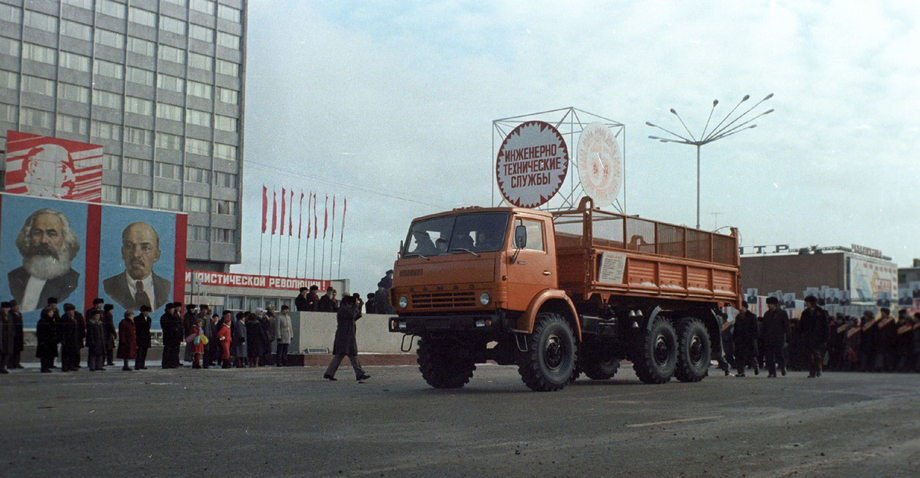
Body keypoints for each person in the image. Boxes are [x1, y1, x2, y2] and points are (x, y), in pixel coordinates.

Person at [7, 209, 82, 311]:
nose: (43, 240)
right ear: (28, 238)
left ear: (65, 239)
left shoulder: (72, 281)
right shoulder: (14, 277)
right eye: (37, 233)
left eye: (52, 234)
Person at [102, 222, 171, 311]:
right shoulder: (109, 287)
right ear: (122, 252)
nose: (135, 254)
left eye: (145, 248)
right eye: (129, 246)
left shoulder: (166, 288)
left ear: (156, 255)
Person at [323, 295, 370, 382]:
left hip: (348, 336)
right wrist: (356, 307)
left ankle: (358, 373)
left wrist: (360, 306)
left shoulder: (345, 310)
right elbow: (352, 315)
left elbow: (356, 316)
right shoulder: (343, 309)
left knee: (349, 355)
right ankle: (358, 373)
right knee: (346, 355)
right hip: (344, 336)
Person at [760, 297, 791, 377]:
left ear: (775, 304)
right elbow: (764, 326)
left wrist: (788, 335)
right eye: (768, 304)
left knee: (779, 354)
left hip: (778, 337)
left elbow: (786, 325)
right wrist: (762, 336)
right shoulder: (767, 314)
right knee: (769, 356)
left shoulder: (782, 313)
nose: (768, 305)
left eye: (770, 304)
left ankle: (782, 367)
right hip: (768, 337)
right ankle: (772, 372)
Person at [799, 296, 828, 378]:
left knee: (816, 354)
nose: (806, 304)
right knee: (809, 355)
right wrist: (801, 334)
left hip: (818, 337)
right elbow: (801, 325)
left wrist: (826, 337)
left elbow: (825, 325)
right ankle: (812, 371)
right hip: (808, 337)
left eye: (807, 303)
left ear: (812, 303)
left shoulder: (821, 312)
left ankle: (818, 369)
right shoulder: (805, 313)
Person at [732, 301, 759, 377]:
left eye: (742, 307)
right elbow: (735, 329)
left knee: (751, 355)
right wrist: (734, 339)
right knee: (739, 356)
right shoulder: (738, 317)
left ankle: (756, 366)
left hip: (749, 339)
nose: (740, 309)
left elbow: (755, 328)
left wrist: (755, 337)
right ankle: (741, 372)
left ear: (745, 307)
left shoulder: (752, 316)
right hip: (739, 339)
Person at [59, 303, 81, 372]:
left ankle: (72, 365)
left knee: (73, 353)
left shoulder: (74, 318)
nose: (72, 312)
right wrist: (63, 339)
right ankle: (65, 367)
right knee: (66, 354)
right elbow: (62, 330)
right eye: (71, 310)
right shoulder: (64, 318)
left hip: (74, 339)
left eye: (73, 310)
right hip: (67, 339)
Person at [36, 306, 58, 373]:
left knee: (49, 355)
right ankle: (44, 368)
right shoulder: (42, 321)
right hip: (45, 342)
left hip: (50, 341)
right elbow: (41, 332)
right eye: (50, 312)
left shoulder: (51, 320)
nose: (52, 313)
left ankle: (47, 367)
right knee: (44, 356)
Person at [160, 303, 182, 369]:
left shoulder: (174, 316)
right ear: (168, 309)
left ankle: (172, 363)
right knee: (167, 351)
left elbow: (178, 325)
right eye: (172, 309)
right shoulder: (164, 317)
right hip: (168, 337)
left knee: (173, 351)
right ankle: (165, 364)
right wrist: (173, 329)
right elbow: (165, 327)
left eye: (173, 309)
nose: (173, 310)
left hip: (175, 337)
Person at [134, 305, 152, 370]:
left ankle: (142, 364)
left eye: (148, 311)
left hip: (146, 337)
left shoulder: (149, 319)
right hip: (140, 337)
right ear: (142, 312)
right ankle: (137, 365)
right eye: (145, 311)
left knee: (144, 352)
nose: (147, 313)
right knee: (139, 352)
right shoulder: (137, 319)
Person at [9, 300, 24, 368]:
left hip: (19, 334)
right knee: (12, 350)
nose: (17, 307)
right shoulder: (10, 314)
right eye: (15, 306)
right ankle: (11, 364)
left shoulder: (19, 314)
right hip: (13, 334)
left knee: (18, 350)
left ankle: (17, 362)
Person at [0, 302, 13, 373]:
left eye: (7, 308)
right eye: (5, 308)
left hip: (8, 338)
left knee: (6, 353)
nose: (6, 309)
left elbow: (12, 327)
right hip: (2, 337)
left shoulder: (9, 316)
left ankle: (2, 367)